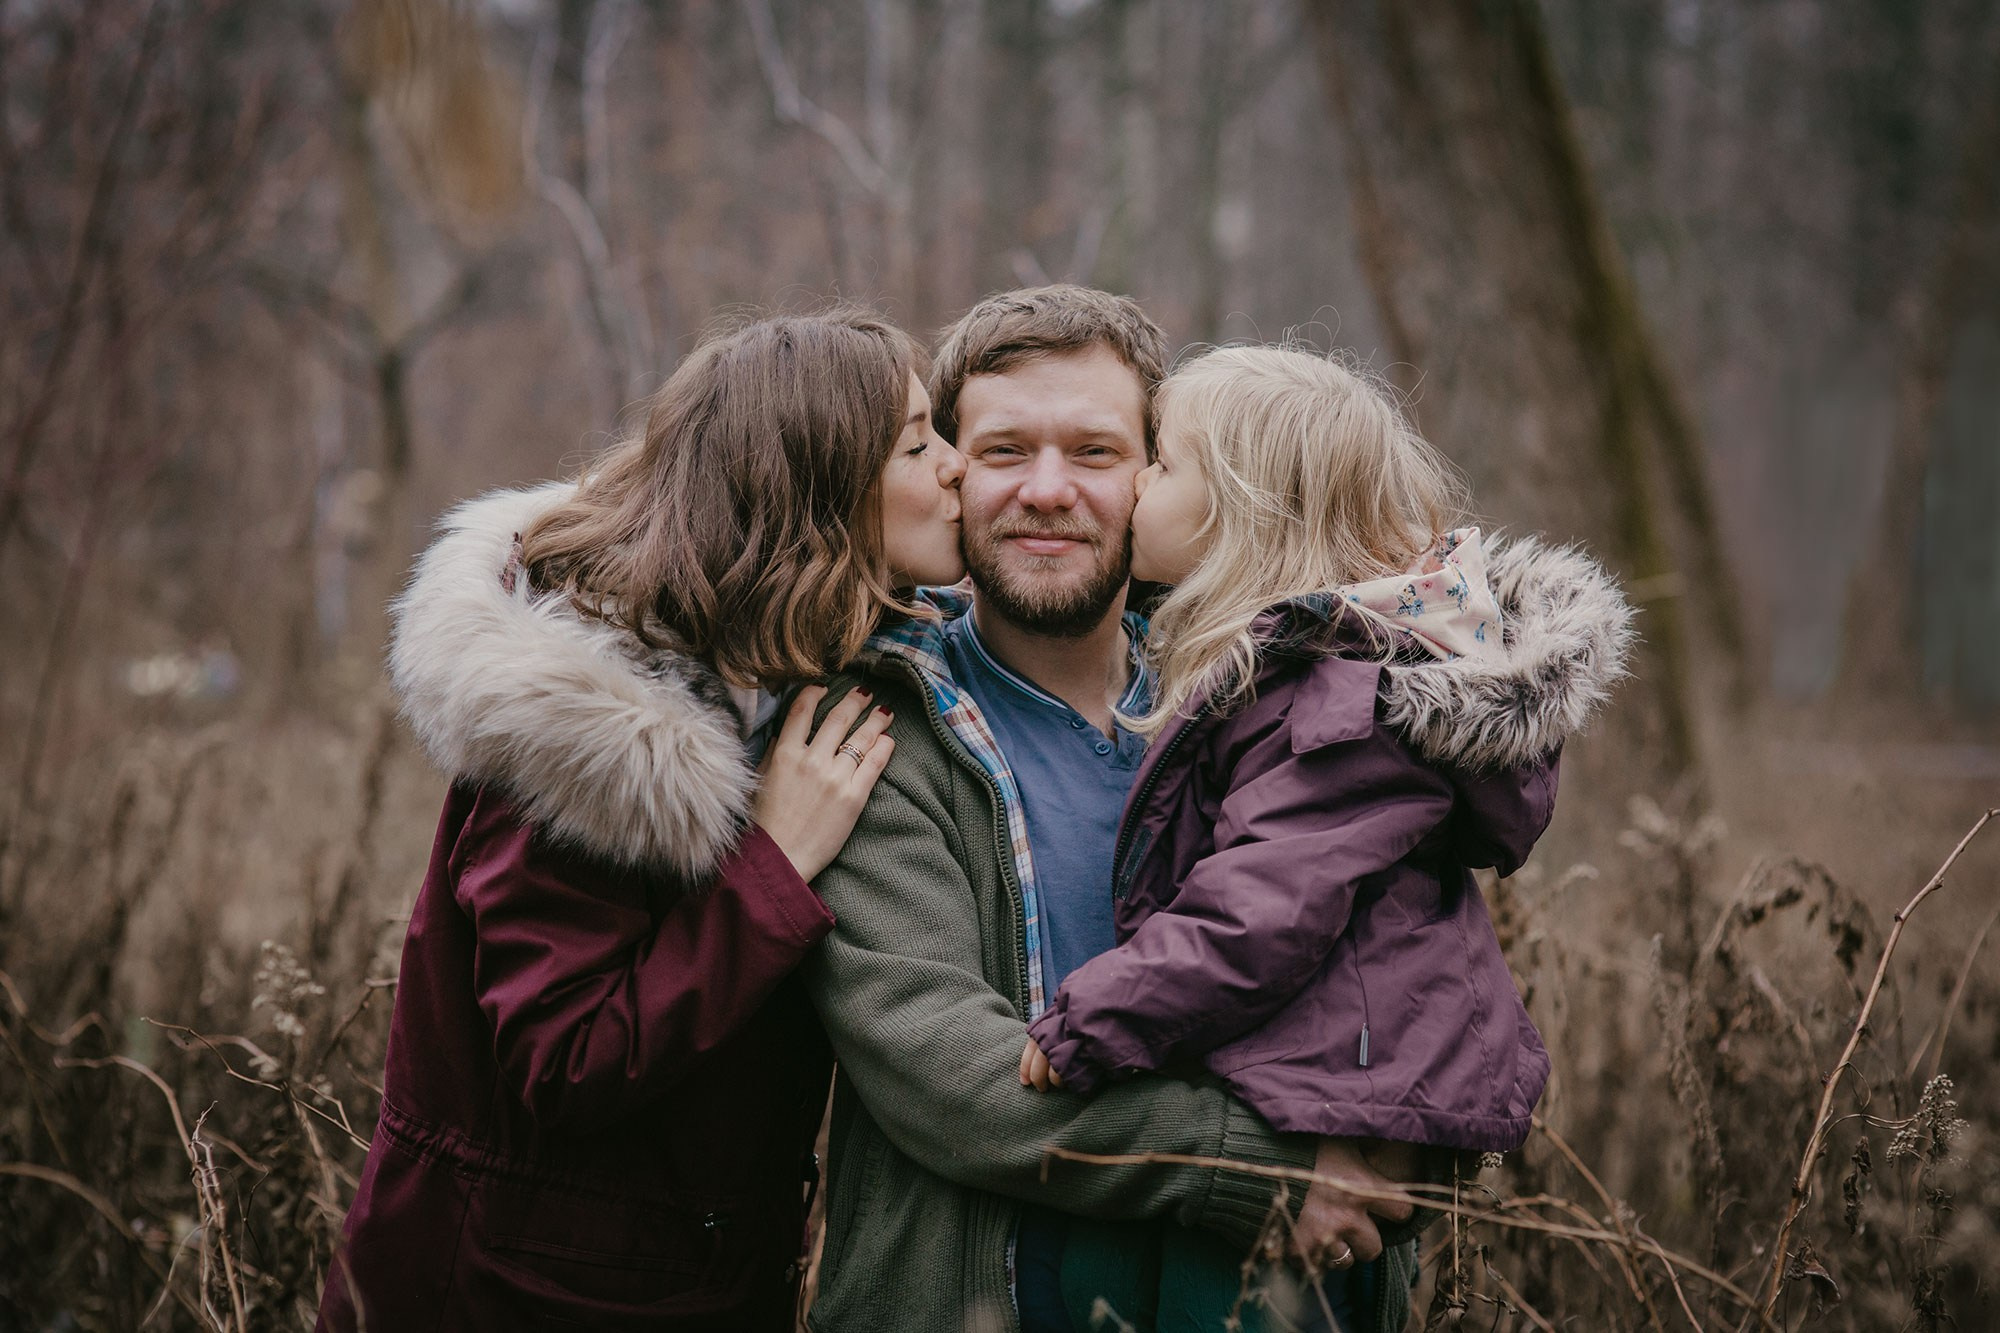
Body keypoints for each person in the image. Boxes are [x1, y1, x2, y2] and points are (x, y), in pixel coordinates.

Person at [314, 309, 967, 1333]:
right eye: (920, 443)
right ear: (819, 486)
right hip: (510, 1293)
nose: (958, 468)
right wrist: (775, 867)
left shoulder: (781, 660)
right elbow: (565, 1060)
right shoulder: (595, 718)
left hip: (672, 1274)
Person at [800, 287, 1415, 1333]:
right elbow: (942, 1067)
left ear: (1159, 474)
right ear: (947, 472)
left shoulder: (1283, 708)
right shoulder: (873, 724)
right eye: (1002, 451)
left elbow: (1410, 999)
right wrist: (1249, 1168)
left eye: (1093, 452)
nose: (1047, 491)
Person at [1017, 345, 1634, 1330]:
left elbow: (1259, 911)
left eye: (1162, 464)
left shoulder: (1328, 703)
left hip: (1322, 1118)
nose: (1133, 483)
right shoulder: (1294, 676)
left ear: (1242, 515)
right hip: (1295, 1098)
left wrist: (1095, 1016)